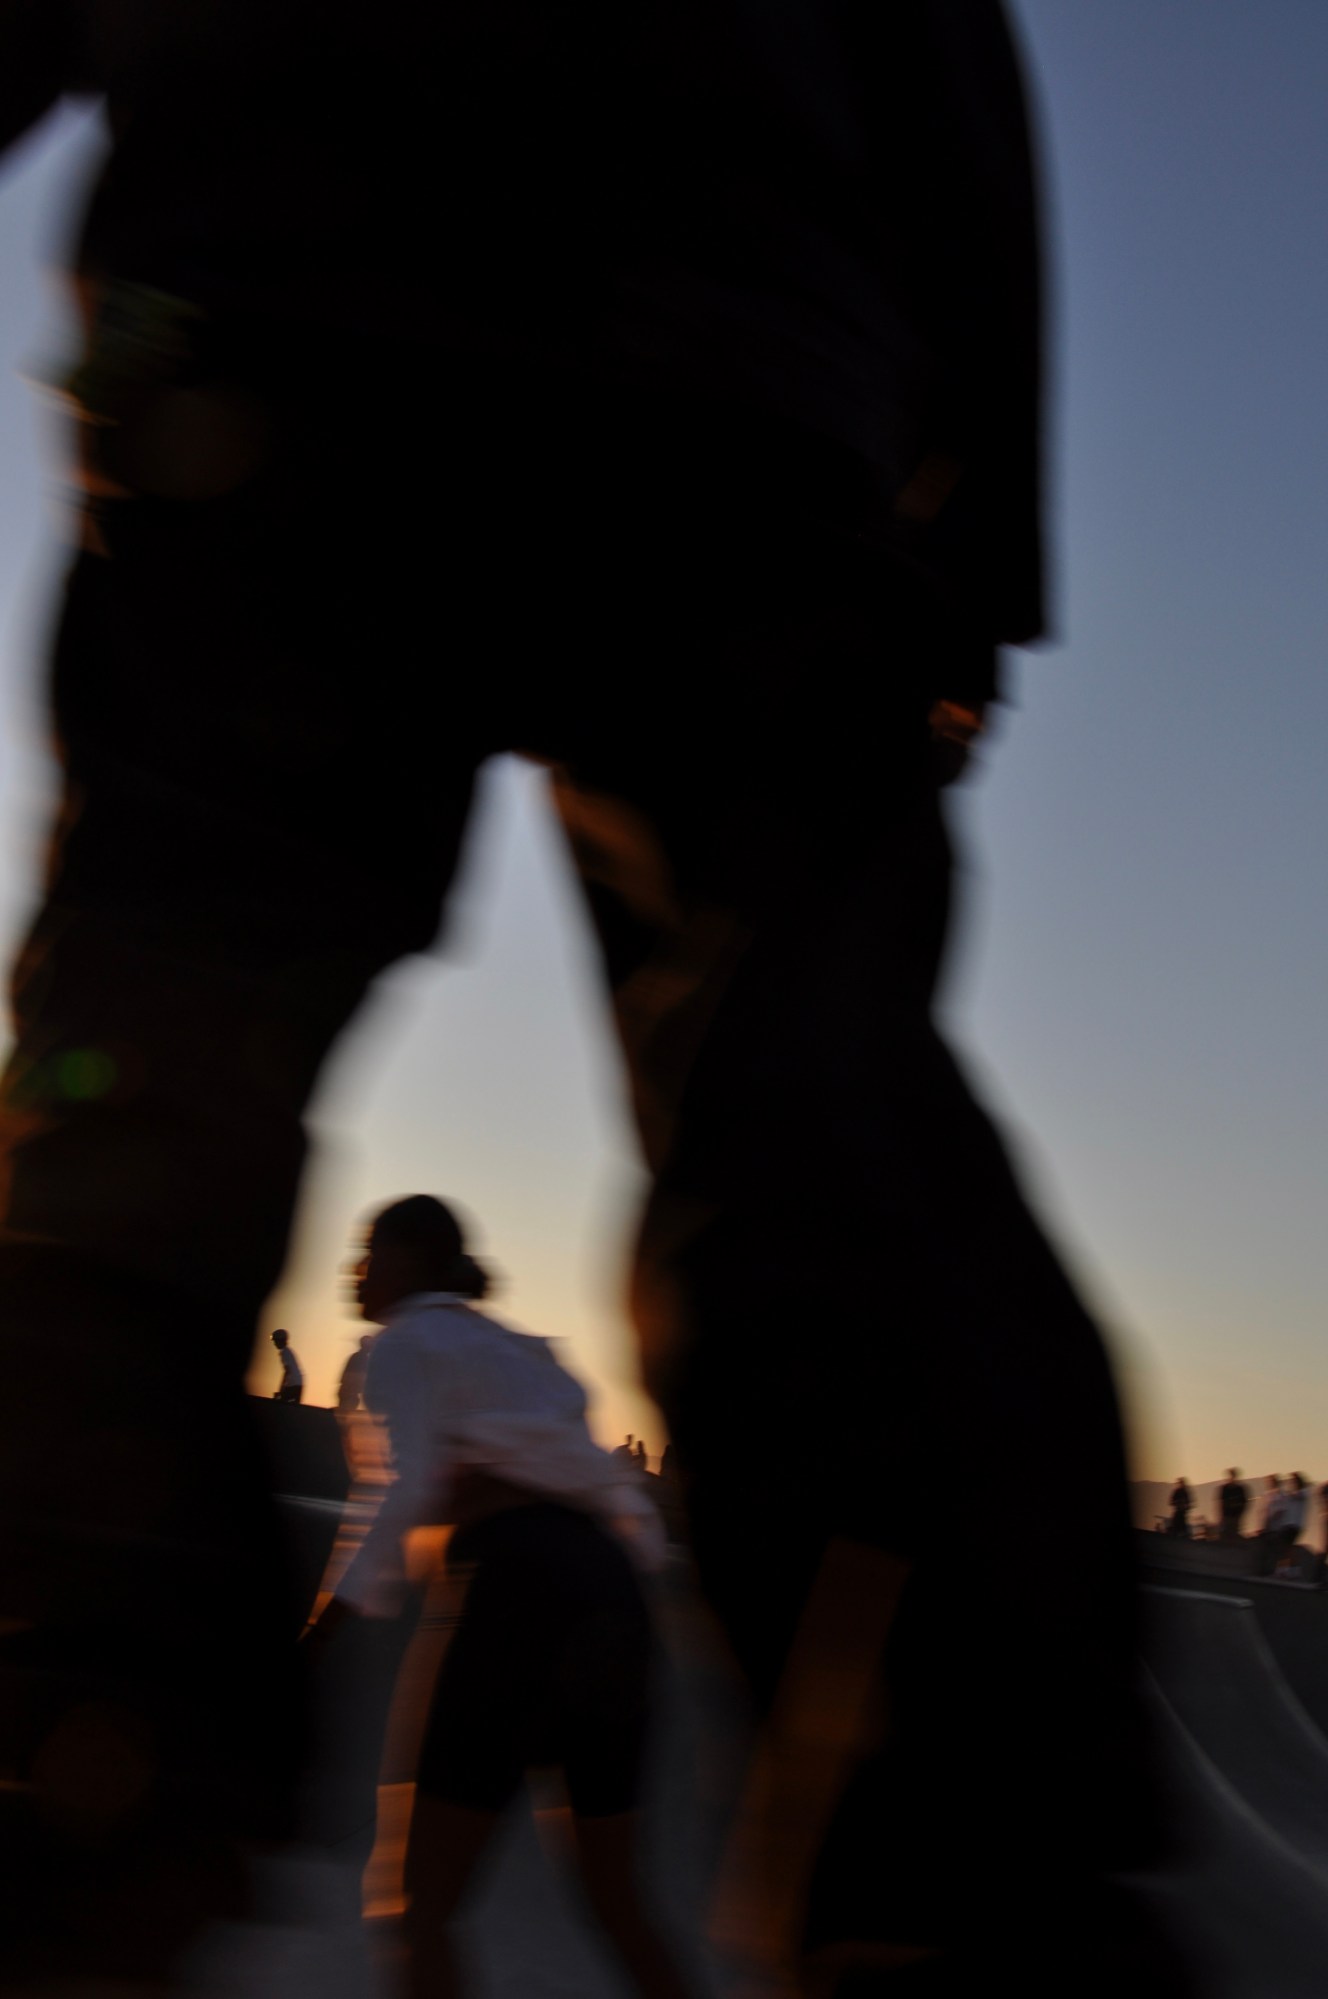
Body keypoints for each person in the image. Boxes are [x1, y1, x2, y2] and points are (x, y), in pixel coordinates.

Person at [0, 5, 1187, 1992]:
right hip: (739, 398)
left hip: (281, 315)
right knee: (815, 1095)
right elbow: (946, 79)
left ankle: (71, 1740)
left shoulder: (403, 1360)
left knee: (160, 1040)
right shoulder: (491, 1363)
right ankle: (979, 1857)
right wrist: (976, 558)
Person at [310, 1195, 692, 1999]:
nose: (355, 1268)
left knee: (416, 1907)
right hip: (611, 1594)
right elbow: (611, 1491)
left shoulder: (403, 1343)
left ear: (410, 1261)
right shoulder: (523, 1352)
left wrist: (316, 1632)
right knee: (617, 1898)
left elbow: (403, 1487)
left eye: (369, 1250)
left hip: (515, 1591)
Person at [336, 1332, 376, 1415]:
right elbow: (354, 1378)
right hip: (349, 1393)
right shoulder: (361, 1358)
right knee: (345, 1415)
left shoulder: (358, 1357)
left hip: (349, 1392)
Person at [271, 1326, 304, 1405]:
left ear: (280, 1341)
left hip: (294, 1384)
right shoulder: (288, 1351)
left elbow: (287, 1371)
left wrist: (281, 1389)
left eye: (275, 1341)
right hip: (298, 1383)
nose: (274, 1343)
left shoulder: (284, 1353)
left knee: (280, 1403)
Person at [1218, 1468, 1248, 1543]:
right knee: (1227, 1532)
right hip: (1227, 1515)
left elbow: (1244, 1502)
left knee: (1234, 1532)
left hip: (1235, 1515)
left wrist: (1240, 1512)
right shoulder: (1225, 1488)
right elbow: (1221, 1502)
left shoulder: (1240, 1489)